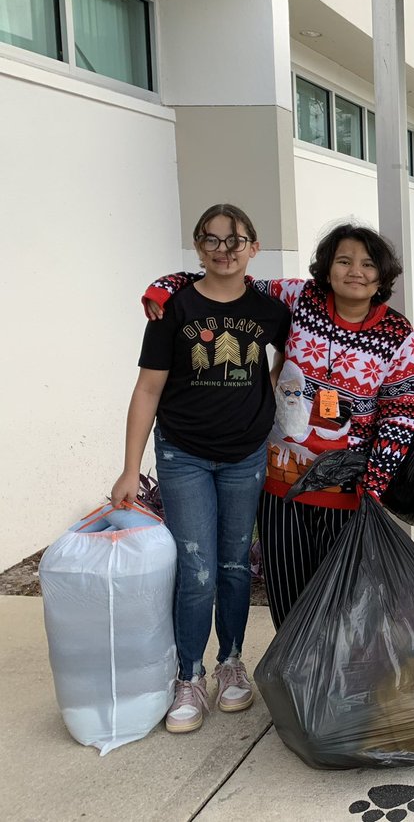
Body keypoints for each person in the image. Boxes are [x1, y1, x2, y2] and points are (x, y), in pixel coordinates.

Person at [142, 222, 414, 629]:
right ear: (327, 269)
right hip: (280, 483)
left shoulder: (397, 332)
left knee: (344, 600)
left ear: (383, 275)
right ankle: (295, 683)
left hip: (348, 489)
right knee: (288, 595)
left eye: (367, 263)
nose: (354, 271)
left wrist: (375, 481)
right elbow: (227, 280)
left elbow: (402, 410)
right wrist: (166, 287)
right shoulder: (298, 297)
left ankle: (335, 684)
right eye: (343, 261)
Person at [112, 204, 291, 734]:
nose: (223, 250)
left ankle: (230, 663)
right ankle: (188, 676)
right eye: (211, 240)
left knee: (235, 565)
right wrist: (128, 469)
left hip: (246, 455)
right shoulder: (174, 307)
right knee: (197, 568)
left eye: (235, 241)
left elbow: (289, 360)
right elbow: (148, 388)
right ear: (198, 247)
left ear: (253, 248)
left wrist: (269, 398)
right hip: (183, 453)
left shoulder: (268, 310)